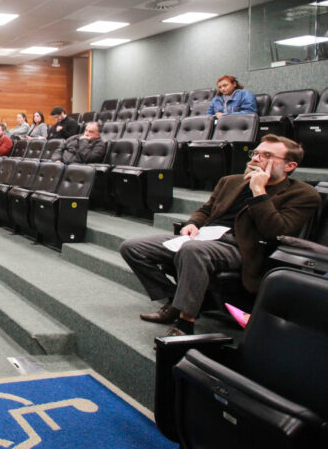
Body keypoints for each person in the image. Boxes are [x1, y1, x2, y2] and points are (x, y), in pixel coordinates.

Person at [119, 135, 319, 337]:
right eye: (256, 153)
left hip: (242, 247)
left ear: (289, 166)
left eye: (267, 155)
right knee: (133, 247)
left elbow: (276, 231)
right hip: (204, 237)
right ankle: (175, 301)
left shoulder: (303, 194)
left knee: (193, 250)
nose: (256, 158)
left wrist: (258, 190)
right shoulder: (230, 181)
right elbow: (206, 210)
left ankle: (185, 324)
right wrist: (193, 223)